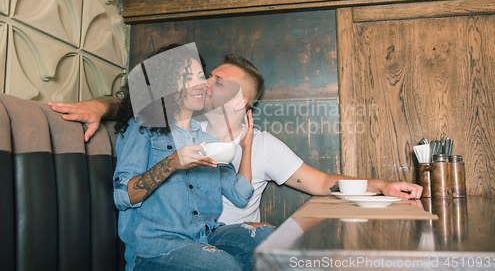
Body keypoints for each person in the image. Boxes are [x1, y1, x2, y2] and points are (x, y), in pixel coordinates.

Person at [47, 52, 423, 227]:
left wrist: (381, 185)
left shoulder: (262, 144)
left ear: (240, 100)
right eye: (205, 76)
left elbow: (324, 183)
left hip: (235, 242)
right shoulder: (178, 119)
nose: (204, 83)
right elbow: (134, 106)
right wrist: (98, 105)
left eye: (217, 81)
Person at [110, 44, 270, 271]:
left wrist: (247, 146)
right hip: (155, 249)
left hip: (204, 239)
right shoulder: (143, 127)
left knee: (269, 240)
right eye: (187, 78)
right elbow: (122, 196)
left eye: (200, 76)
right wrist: (172, 163)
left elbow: (240, 194)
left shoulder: (207, 139)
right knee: (223, 265)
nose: (200, 84)